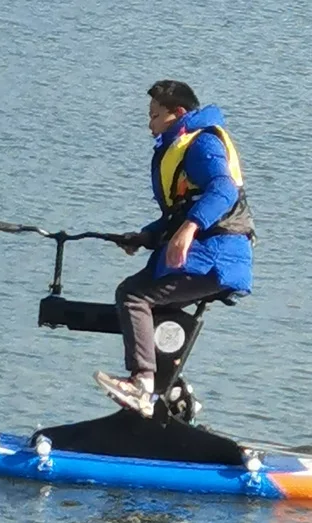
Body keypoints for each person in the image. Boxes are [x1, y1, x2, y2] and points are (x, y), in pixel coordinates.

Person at [93, 80, 255, 418]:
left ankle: (142, 385)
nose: (149, 124)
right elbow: (180, 211)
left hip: (216, 257)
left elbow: (223, 191)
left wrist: (188, 230)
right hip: (204, 255)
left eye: (154, 116)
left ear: (177, 114)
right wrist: (145, 236)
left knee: (135, 296)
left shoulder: (202, 143)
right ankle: (171, 390)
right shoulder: (180, 146)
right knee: (150, 305)